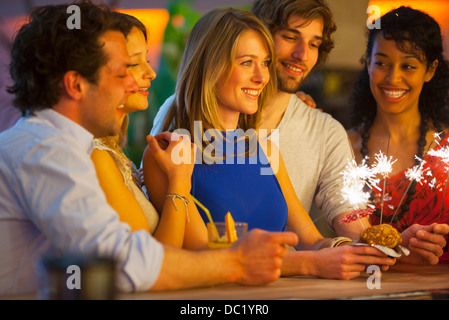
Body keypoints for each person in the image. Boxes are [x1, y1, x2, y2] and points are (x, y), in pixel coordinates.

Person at [0, 0, 298, 295]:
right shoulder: (46, 150)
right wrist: (237, 263)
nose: (137, 81)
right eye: (121, 71)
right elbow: (122, 261)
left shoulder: (67, 147)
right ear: (76, 85)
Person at [144, 7, 396, 280]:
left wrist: (347, 250)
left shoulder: (265, 148)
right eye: (246, 62)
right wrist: (309, 264)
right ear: (210, 66)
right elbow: (203, 252)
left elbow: (310, 240)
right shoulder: (171, 152)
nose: (261, 77)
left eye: (264, 62)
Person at [91, 12, 207, 249]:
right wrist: (179, 181)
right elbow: (156, 262)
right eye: (134, 63)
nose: (151, 73)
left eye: (148, 61)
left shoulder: (115, 156)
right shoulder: (96, 155)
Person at [347, 6, 449, 264]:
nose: (393, 78)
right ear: (368, 62)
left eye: (408, 66)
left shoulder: (446, 150)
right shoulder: (342, 146)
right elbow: (329, 239)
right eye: (382, 63)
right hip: (360, 289)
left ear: (430, 69)